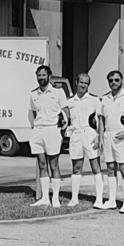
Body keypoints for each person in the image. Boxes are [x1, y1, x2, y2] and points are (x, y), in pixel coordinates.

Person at [29, 65, 70, 207]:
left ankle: (56, 198)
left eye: (43, 75)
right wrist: (34, 127)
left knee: (53, 164)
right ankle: (45, 198)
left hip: (52, 130)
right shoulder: (33, 94)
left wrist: (63, 130)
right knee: (42, 164)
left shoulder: (58, 92)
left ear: (49, 76)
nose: (41, 78)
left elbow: (65, 111)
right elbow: (33, 113)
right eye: (39, 75)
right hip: (38, 130)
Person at [100, 70, 124, 211]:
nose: (113, 83)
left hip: (123, 137)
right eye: (111, 80)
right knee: (110, 168)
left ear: (121, 81)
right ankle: (112, 200)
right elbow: (102, 119)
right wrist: (101, 137)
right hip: (108, 136)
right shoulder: (104, 98)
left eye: (116, 80)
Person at [66, 73, 104, 207]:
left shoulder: (94, 100)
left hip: (90, 134)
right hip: (76, 135)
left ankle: (99, 199)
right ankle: (74, 198)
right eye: (81, 82)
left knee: (95, 167)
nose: (83, 85)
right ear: (76, 82)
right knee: (76, 167)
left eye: (86, 83)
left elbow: (100, 120)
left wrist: (100, 137)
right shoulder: (69, 101)